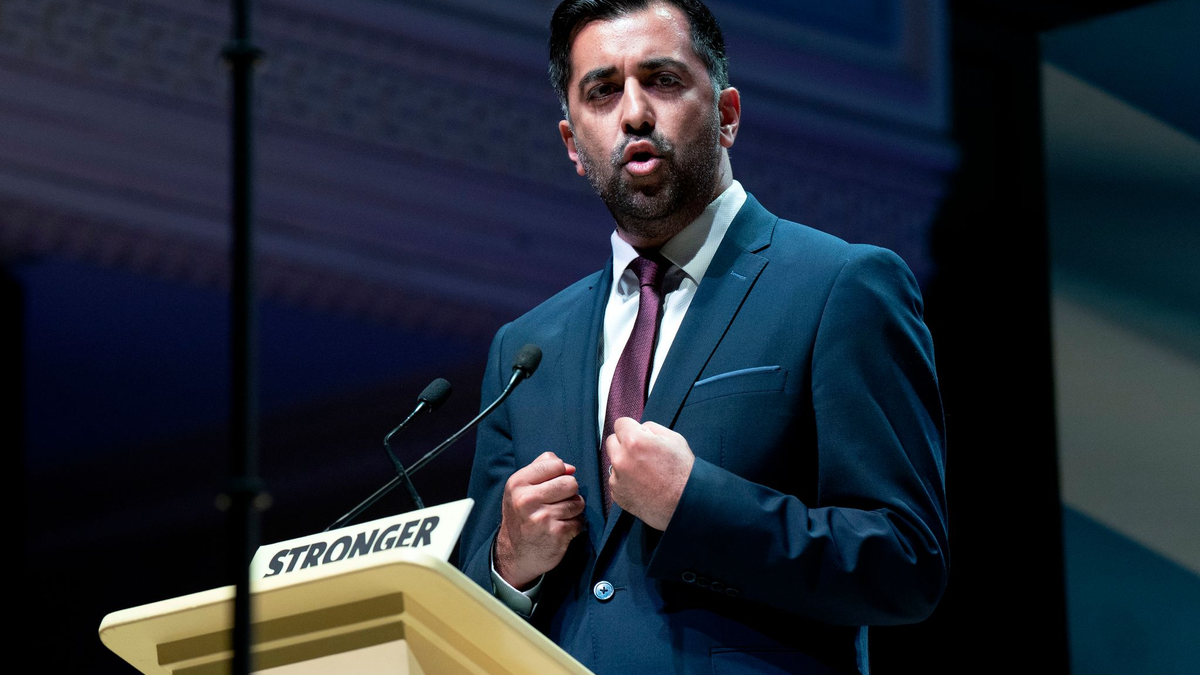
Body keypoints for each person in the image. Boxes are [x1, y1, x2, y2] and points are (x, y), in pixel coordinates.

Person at [458, 1, 948, 673]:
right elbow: (466, 615)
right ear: (574, 145)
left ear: (726, 115)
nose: (632, 112)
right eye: (602, 91)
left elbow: (905, 562)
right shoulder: (527, 347)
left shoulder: (841, 286)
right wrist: (508, 564)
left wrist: (697, 505)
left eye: (661, 80)